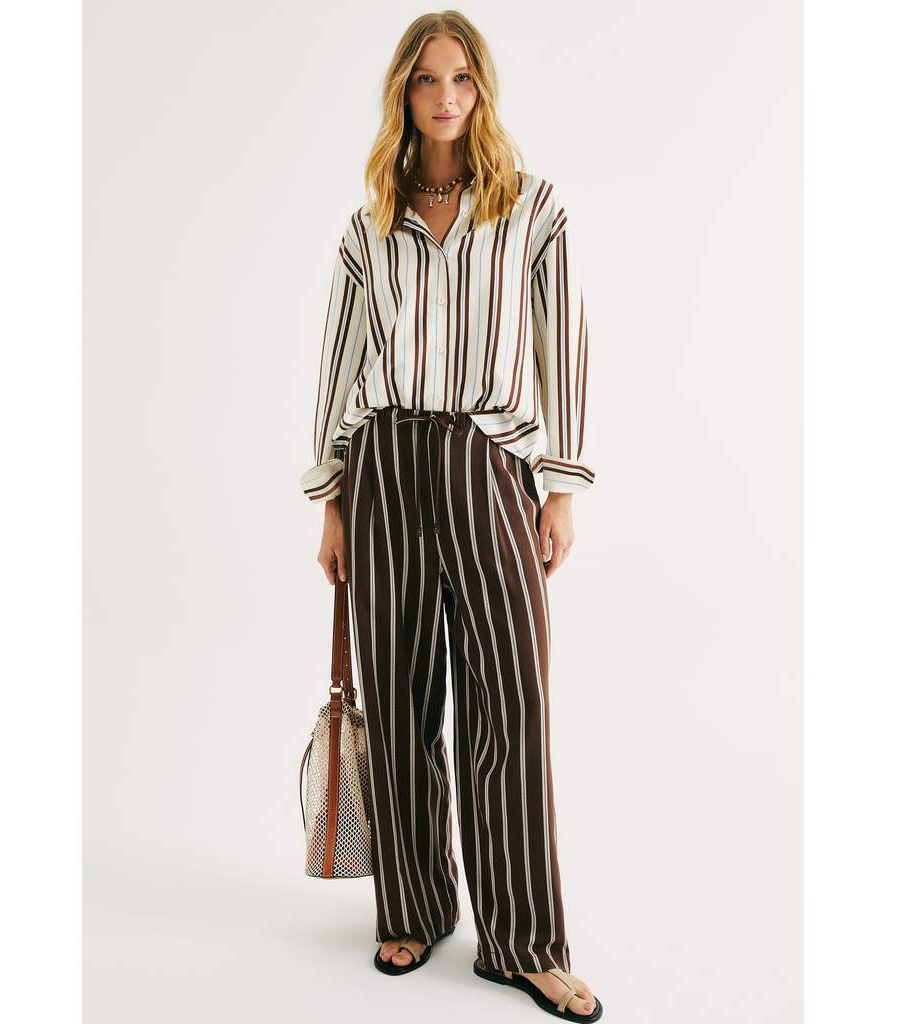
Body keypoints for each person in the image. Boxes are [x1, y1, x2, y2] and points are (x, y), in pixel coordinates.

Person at [299, 11, 601, 1022]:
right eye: (427, 80)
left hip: (487, 461)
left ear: (483, 90)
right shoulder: (369, 227)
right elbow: (339, 365)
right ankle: (414, 906)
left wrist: (560, 485)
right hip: (385, 463)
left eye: (461, 79)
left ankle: (523, 941)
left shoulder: (531, 209)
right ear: (404, 93)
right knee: (398, 693)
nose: (445, 97)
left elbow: (564, 345)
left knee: (510, 700)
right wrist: (332, 500)